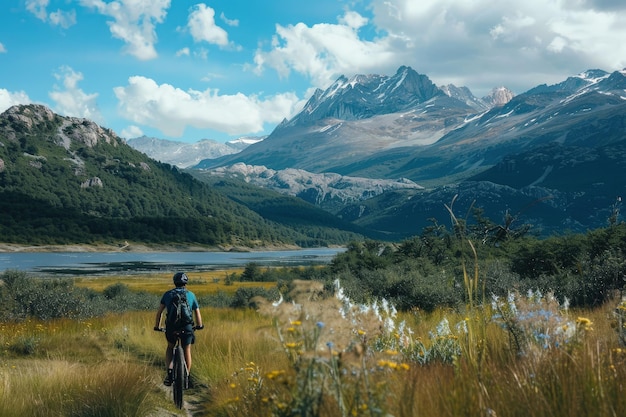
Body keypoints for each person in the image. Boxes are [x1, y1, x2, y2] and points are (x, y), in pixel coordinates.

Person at [154, 272, 203, 386]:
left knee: (170, 347)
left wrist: (157, 326)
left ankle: (170, 374)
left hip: (171, 327)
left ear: (174, 282)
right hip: (187, 326)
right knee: (187, 349)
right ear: (186, 282)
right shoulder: (191, 295)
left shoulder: (167, 294)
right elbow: (197, 312)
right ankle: (186, 376)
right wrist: (199, 325)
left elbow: (160, 312)